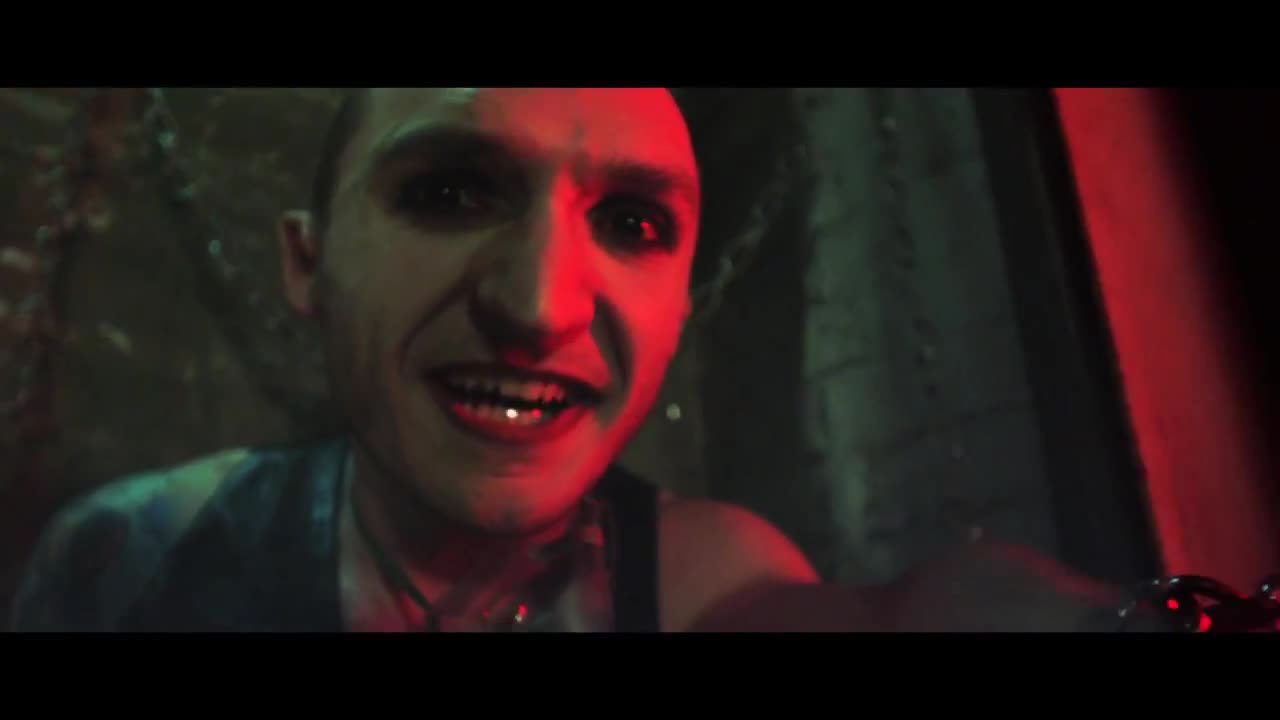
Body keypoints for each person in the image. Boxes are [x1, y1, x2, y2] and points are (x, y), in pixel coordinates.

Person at [8, 88, 1174, 632]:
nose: (536, 306)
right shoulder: (136, 554)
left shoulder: (703, 578)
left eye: (630, 223)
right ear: (308, 265)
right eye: (450, 194)